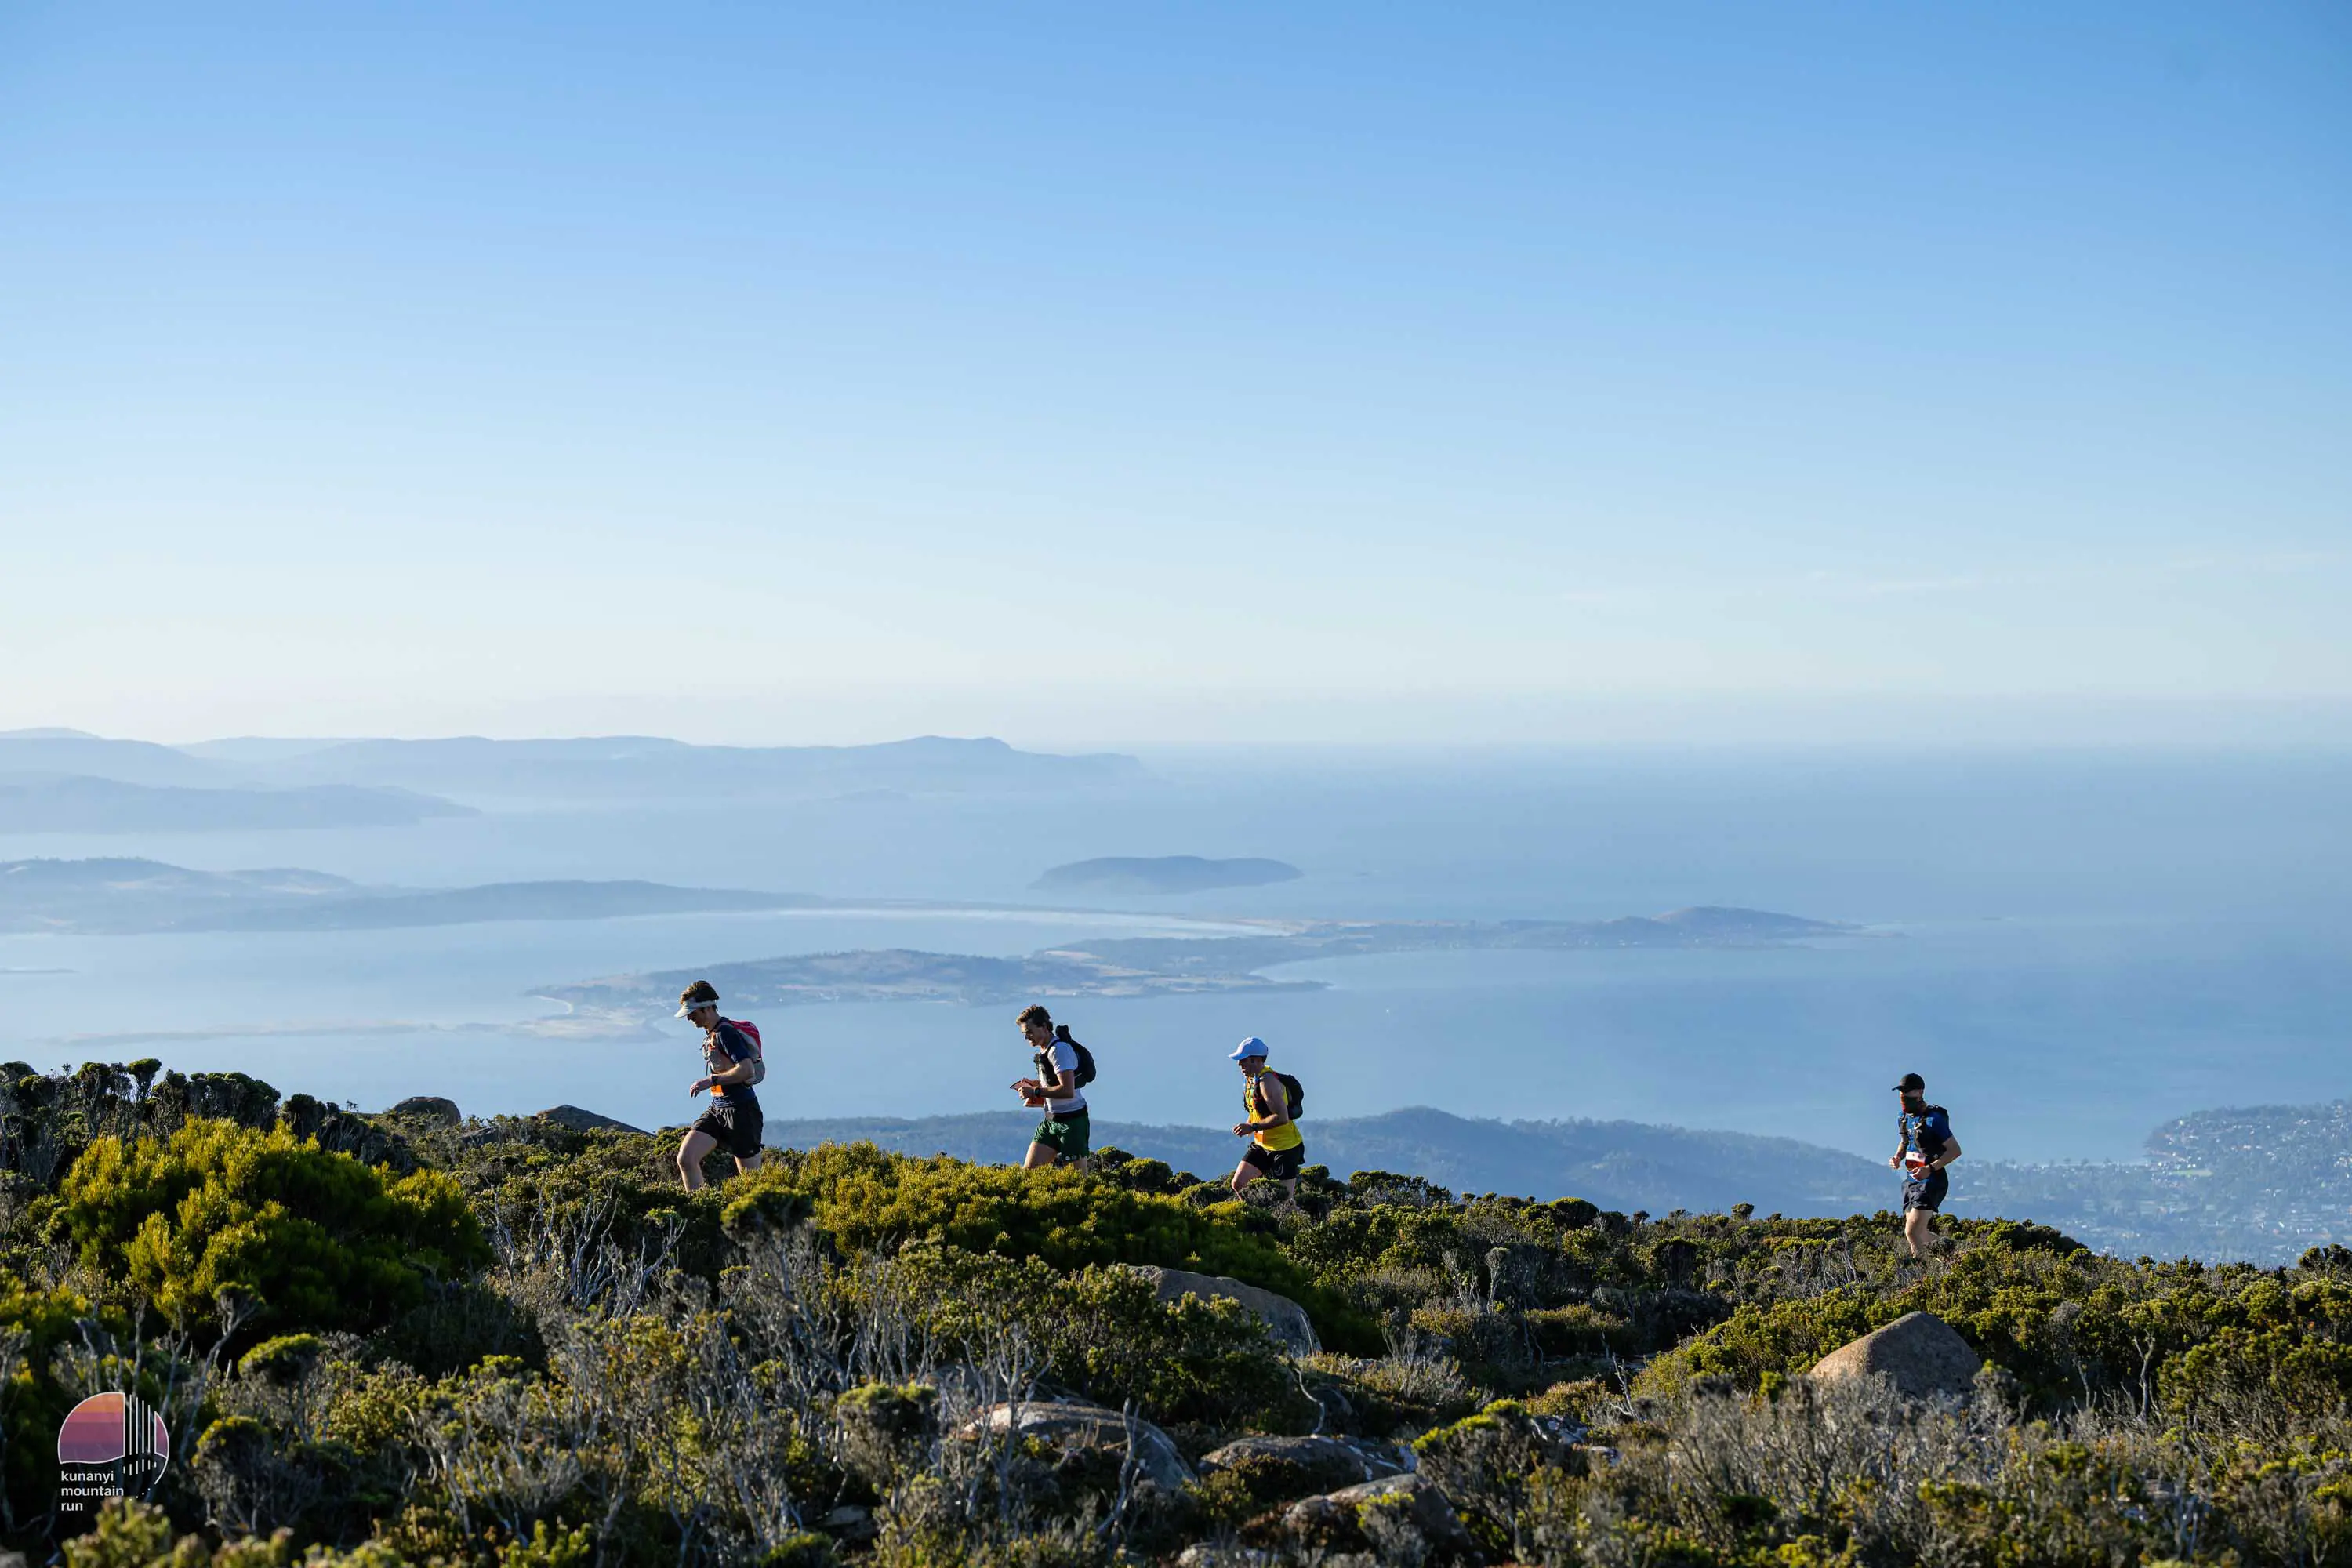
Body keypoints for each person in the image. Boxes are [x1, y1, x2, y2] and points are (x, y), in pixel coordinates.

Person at [674, 979, 764, 1191]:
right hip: (718, 1109)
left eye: (692, 1013)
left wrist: (711, 1080)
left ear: (706, 1008)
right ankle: (700, 1210)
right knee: (686, 1158)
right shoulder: (712, 1033)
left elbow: (747, 1070)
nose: (689, 1018)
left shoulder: (726, 1034)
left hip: (741, 1111)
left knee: (751, 1183)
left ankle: (762, 1221)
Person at [1888, 1071, 1961, 1258]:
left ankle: (1921, 1273)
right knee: (1918, 1233)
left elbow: (1954, 1150)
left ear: (1919, 1092)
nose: (1903, 1096)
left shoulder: (1934, 1119)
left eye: (1908, 1091)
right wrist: (1897, 1157)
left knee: (1911, 1232)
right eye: (1901, 1091)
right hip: (1911, 1181)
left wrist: (1930, 1169)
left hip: (1932, 1181)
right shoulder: (1903, 1118)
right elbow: (1905, 1142)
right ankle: (1952, 1253)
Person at [1011, 1003, 1088, 1168]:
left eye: (1029, 1032)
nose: (1026, 1037)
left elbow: (1067, 1090)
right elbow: (1054, 1083)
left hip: (1072, 1123)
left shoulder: (1059, 1051)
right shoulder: (1045, 1051)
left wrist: (1035, 1091)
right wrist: (1036, 1084)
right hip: (1051, 1121)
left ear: (1044, 1027)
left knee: (1077, 1183)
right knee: (1028, 1175)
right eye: (1024, 1034)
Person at [1229, 1037, 1305, 1200]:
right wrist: (1248, 1124)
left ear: (1256, 1060)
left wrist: (1253, 1127)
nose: (1239, 1064)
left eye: (1243, 1060)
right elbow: (1255, 1109)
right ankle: (1255, 1219)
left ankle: (1301, 1221)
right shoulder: (1250, 1079)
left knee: (1285, 1200)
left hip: (1285, 1148)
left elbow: (1282, 1118)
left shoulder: (1267, 1082)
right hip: (1262, 1145)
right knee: (1238, 1184)